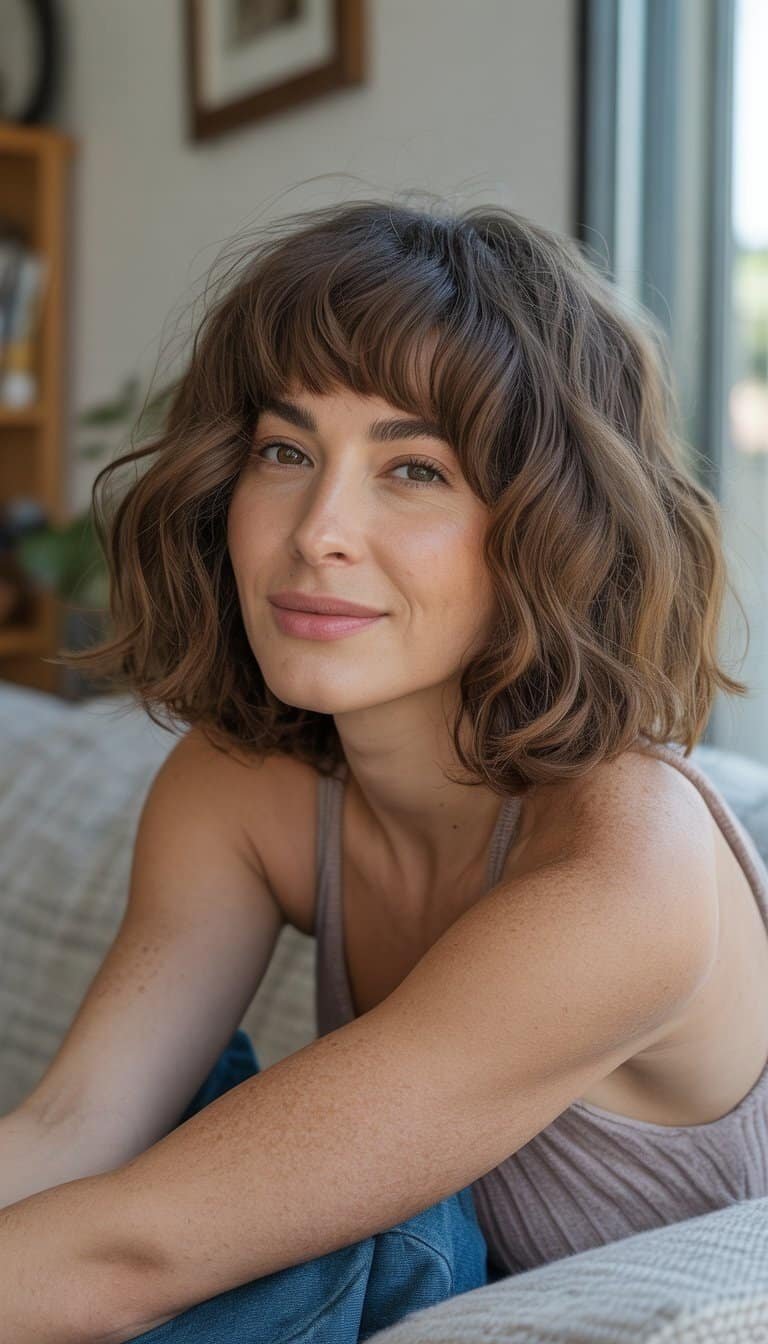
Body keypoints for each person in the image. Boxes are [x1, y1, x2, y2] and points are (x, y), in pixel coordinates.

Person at [5, 196, 767, 1343]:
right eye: (283, 451)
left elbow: (133, 1252)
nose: (318, 530)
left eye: (415, 469)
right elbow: (74, 1127)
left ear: (552, 525)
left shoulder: (628, 869)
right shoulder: (243, 788)